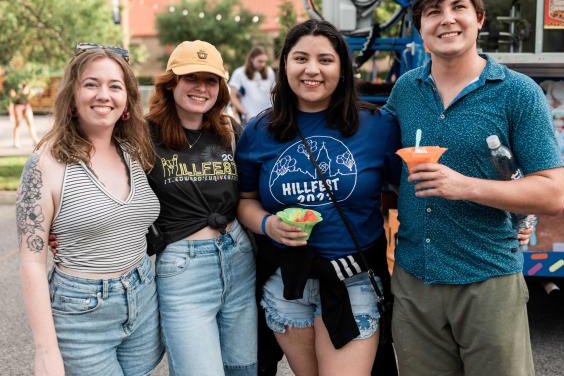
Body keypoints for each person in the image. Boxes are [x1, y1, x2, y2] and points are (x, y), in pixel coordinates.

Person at [383, 0, 564, 376]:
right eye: (433, 12)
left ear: (479, 18)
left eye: (458, 8)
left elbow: (553, 194)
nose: (446, 20)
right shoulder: (406, 91)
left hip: (488, 281)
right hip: (416, 282)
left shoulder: (517, 92)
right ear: (420, 28)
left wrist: (463, 186)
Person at [235, 19, 400, 376]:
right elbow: (245, 200)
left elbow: (410, 192)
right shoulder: (258, 132)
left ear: (342, 69)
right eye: (300, 59)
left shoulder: (377, 126)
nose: (312, 69)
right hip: (286, 283)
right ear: (285, 66)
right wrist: (268, 224)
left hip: (352, 280)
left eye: (325, 60)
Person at [17, 45, 164, 375]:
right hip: (82, 314)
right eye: (91, 84)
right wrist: (45, 351)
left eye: (115, 86)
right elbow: (31, 262)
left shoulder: (134, 151)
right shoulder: (45, 165)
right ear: (72, 95)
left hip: (142, 299)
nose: (104, 95)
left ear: (127, 98)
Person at [145, 40, 257, 375]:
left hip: (238, 258)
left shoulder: (228, 130)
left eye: (210, 80)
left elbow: (252, 191)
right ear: (171, 83)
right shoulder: (143, 133)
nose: (201, 88)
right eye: (191, 77)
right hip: (184, 270)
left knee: (244, 369)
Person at [228, 46, 275, 123]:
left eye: (265, 61)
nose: (263, 64)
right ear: (251, 59)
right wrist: (245, 113)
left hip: (268, 118)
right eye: (260, 61)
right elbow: (232, 96)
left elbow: (273, 93)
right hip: (250, 119)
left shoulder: (270, 72)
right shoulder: (239, 73)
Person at [9, 81, 40, 148]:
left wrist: (28, 91)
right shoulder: (15, 86)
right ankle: (15, 141)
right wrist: (11, 114)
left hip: (26, 105)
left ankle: (35, 140)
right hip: (18, 106)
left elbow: (30, 95)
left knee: (30, 123)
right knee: (17, 124)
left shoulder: (27, 86)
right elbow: (12, 97)